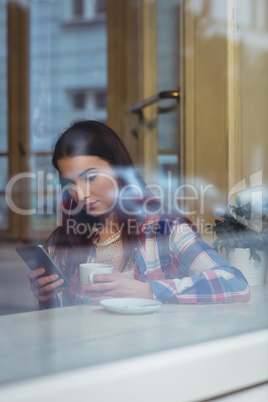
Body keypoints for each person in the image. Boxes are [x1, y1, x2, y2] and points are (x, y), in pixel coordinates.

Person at [28, 120, 250, 308]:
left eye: (91, 177)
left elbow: (236, 284)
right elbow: (60, 329)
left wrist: (147, 291)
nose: (81, 194)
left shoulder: (164, 230)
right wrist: (47, 299)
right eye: (70, 184)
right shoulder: (63, 242)